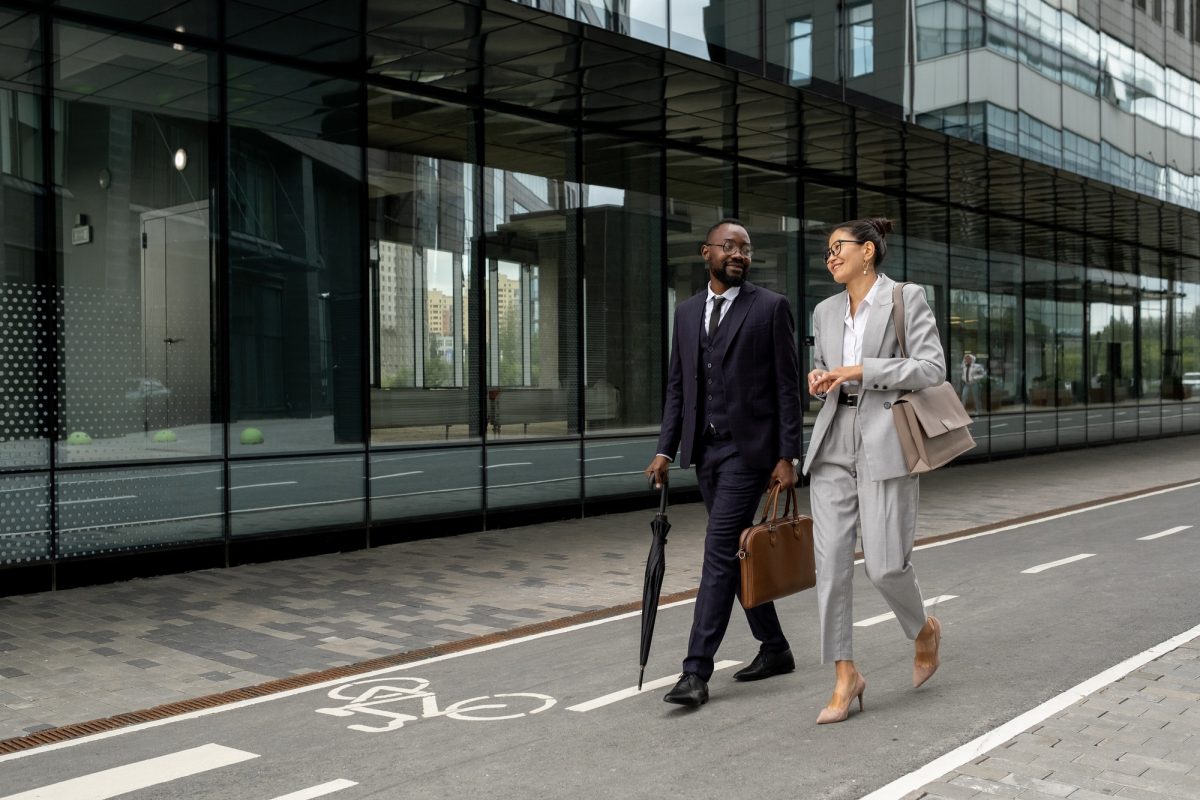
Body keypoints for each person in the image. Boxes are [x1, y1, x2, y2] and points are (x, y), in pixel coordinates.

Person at [645, 218, 803, 708]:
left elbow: (787, 387)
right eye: (730, 246)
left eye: (746, 248)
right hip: (705, 452)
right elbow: (679, 387)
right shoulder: (687, 313)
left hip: (749, 453)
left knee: (717, 555)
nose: (739, 254)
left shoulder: (770, 307)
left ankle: (695, 673)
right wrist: (665, 448)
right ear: (705, 253)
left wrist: (788, 455)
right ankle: (775, 648)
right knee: (736, 553)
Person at [801, 217, 944, 724]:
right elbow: (825, 366)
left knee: (885, 565)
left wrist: (865, 369)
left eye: (838, 248)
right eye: (826, 252)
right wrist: (823, 377)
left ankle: (924, 630)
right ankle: (845, 677)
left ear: (868, 251)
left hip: (886, 437)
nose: (830, 257)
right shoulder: (824, 310)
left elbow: (931, 369)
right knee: (832, 567)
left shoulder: (906, 297)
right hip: (835, 437)